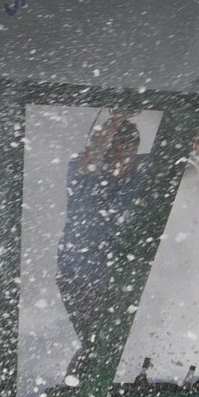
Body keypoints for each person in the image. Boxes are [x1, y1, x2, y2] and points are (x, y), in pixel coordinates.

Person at [55, 113, 143, 347]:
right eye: (114, 155)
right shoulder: (83, 169)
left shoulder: (142, 169)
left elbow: (190, 161)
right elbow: (89, 158)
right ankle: (85, 377)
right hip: (78, 275)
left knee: (111, 344)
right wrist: (115, 119)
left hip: (120, 274)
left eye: (127, 155)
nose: (119, 163)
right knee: (96, 343)